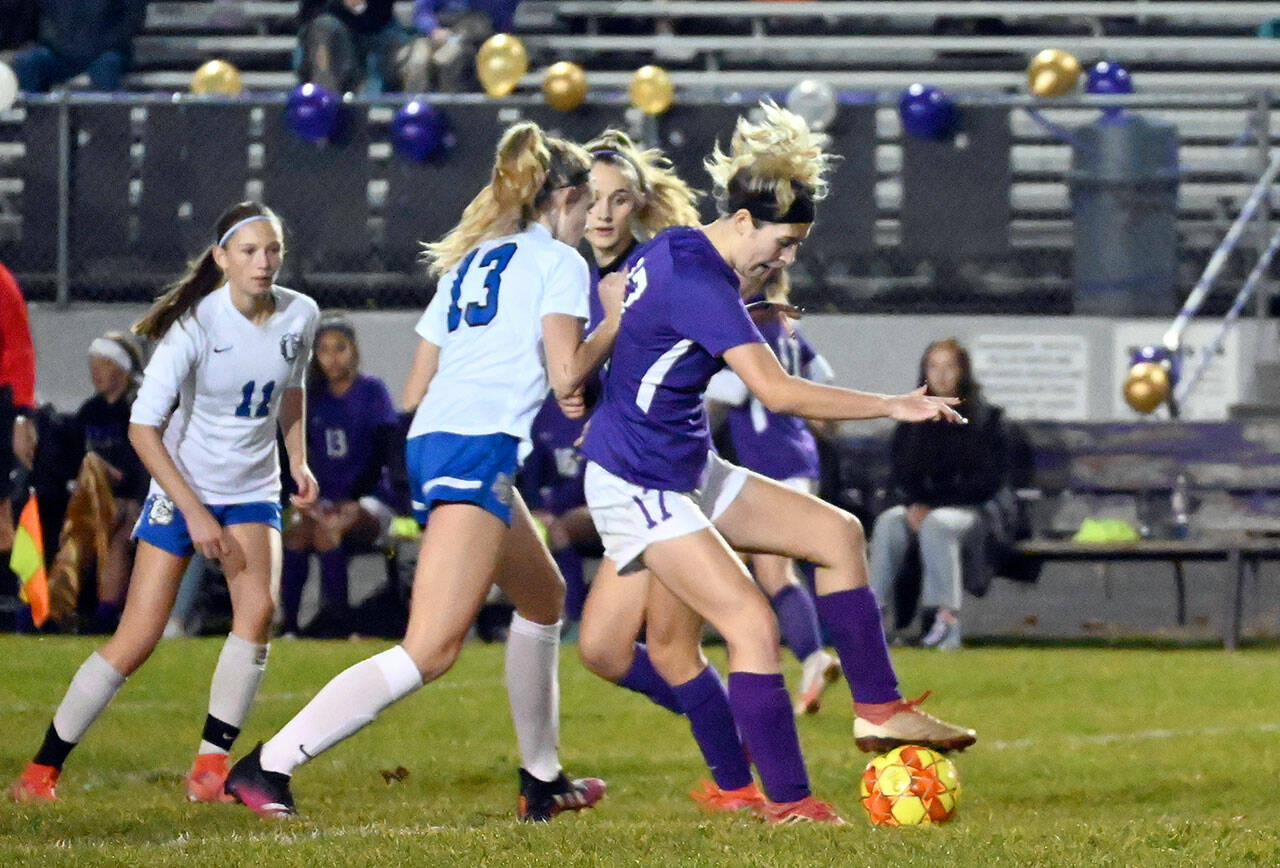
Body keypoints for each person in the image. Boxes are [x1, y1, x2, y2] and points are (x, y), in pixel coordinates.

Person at [578, 101, 976, 824]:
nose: (787, 260)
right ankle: (789, 803)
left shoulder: (677, 248)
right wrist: (892, 403)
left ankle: (878, 710)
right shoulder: (700, 281)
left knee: (837, 534)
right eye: (784, 244)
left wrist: (747, 314)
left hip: (681, 466)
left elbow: (630, 304)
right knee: (751, 626)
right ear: (741, 221)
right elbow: (778, 392)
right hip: (640, 479)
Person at [225, 121, 618, 823]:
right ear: (564, 198)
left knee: (542, 597)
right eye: (588, 206)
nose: (592, 222)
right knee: (431, 649)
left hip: (435, 437)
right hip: (476, 446)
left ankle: (543, 779)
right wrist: (615, 320)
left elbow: (413, 388)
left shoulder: (471, 260)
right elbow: (567, 376)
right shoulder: (561, 263)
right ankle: (268, 764)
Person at [9, 201, 321, 804]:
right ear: (221, 258)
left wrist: (298, 460)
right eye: (250, 251)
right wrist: (195, 512)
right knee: (138, 637)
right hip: (184, 488)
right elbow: (142, 429)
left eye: (273, 250)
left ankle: (210, 769)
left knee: (258, 613)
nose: (263, 262)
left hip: (253, 489)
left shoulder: (300, 313)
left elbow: (293, 389)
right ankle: (41, 770)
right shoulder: (195, 326)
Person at [705, 268, 842, 716]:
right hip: (798, 461)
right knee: (750, 566)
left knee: (772, 572)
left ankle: (807, 659)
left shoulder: (743, 331)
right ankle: (791, 658)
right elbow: (823, 387)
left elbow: (718, 404)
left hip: (771, 467)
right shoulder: (788, 329)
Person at [868, 337, 1012, 651]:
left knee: (938, 524)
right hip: (923, 508)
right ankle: (873, 615)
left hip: (972, 512)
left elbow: (988, 481)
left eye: (949, 367)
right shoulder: (913, 418)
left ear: (963, 371)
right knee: (890, 522)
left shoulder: (986, 419)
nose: (941, 375)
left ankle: (945, 621)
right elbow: (901, 474)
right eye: (933, 367)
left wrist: (932, 506)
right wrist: (913, 504)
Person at [280, 315, 404, 637]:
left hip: (370, 499)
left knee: (330, 531)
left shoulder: (372, 391)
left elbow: (384, 452)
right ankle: (289, 626)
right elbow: (300, 456)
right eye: (323, 350)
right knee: (296, 535)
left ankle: (338, 623)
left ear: (354, 350)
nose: (332, 358)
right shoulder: (313, 398)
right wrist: (309, 500)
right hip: (326, 500)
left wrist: (352, 499)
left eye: (340, 348)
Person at [59, 331, 150, 631]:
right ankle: (56, 609)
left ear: (122, 369)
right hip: (95, 502)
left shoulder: (137, 409)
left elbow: (144, 464)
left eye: (105, 364)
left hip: (130, 500)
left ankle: (106, 615)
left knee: (119, 538)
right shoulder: (90, 411)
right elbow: (72, 462)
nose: (96, 372)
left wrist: (134, 500)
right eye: (93, 365)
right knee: (77, 535)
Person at [12, 0, 146, 93]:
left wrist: (104, 44)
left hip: (106, 52)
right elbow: (33, 15)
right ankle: (35, 122)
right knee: (28, 62)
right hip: (59, 53)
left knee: (107, 65)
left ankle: (108, 124)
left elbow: (132, 19)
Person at [403, 0, 521, 93]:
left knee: (447, 58)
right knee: (417, 61)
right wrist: (434, 30)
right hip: (434, 34)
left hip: (470, 38)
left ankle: (448, 109)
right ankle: (414, 108)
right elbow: (422, 12)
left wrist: (452, 39)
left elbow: (497, 16)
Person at [298, 0, 410, 95]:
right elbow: (308, 13)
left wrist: (361, 7)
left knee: (408, 55)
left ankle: (410, 110)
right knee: (324, 29)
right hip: (331, 33)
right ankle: (324, 102)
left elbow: (382, 12)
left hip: (378, 30)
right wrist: (341, 4)